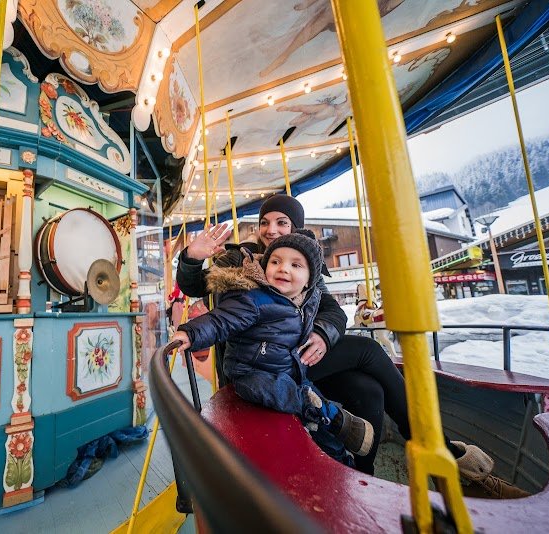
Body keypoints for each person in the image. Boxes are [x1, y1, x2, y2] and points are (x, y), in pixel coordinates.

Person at [176, 194, 528, 498]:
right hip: (265, 363)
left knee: (369, 391)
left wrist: (324, 334)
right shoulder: (242, 260)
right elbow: (202, 288)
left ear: (296, 228)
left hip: (301, 356)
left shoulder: (304, 260)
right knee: (370, 351)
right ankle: (441, 449)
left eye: (282, 222)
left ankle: (363, 479)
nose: (272, 230)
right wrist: (192, 259)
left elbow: (329, 308)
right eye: (265, 222)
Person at [173, 231, 374, 458]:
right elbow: (221, 320)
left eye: (296, 265)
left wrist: (322, 335)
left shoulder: (308, 301)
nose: (283, 268)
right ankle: (322, 413)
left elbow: (334, 314)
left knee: (312, 404)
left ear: (310, 279)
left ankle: (340, 456)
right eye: (275, 262)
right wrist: (191, 333)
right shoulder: (255, 299)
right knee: (278, 392)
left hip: (288, 370)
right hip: (249, 372)